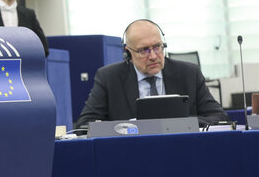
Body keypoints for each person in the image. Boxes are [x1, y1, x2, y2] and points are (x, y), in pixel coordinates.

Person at [75, 19, 227, 128]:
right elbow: (85, 123)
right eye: (144, 50)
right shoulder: (109, 78)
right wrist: (126, 127)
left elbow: (219, 117)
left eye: (157, 47)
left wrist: (181, 123)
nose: (153, 56)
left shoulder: (189, 73)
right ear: (128, 52)